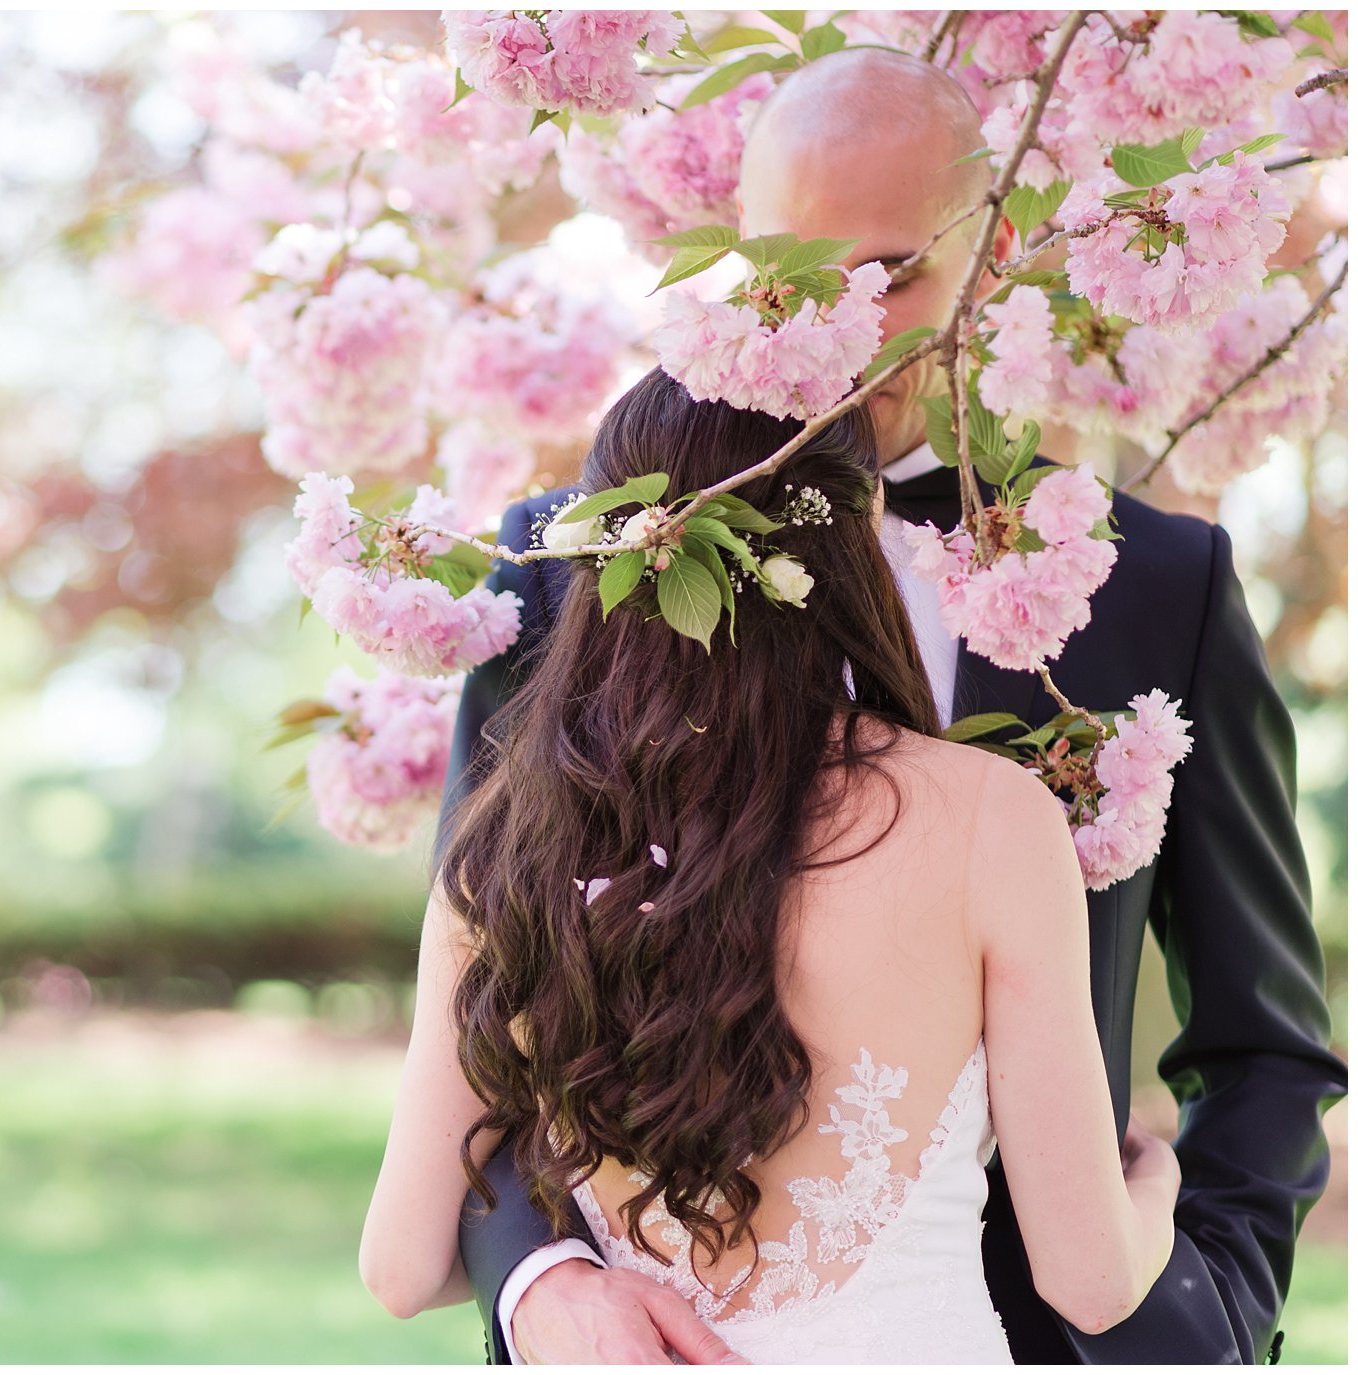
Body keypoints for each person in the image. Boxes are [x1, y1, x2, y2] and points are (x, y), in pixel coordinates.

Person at [439, 47, 1344, 1366]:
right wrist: (545, 1287)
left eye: (893, 273)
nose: (839, 331)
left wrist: (1194, 1320)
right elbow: (479, 1006)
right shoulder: (567, 564)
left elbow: (1265, 1043)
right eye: (790, 276)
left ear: (997, 245)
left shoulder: (1156, 588)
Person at [361, 375, 1184, 1361]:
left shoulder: (511, 836)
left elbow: (401, 1265)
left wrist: (549, 1271)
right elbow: (1089, 1280)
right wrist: (1156, 1180)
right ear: (854, 532)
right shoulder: (992, 818)